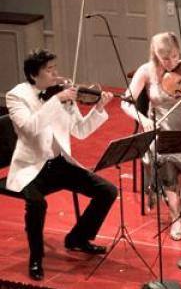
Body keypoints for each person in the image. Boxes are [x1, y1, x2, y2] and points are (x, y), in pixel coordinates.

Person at [6, 49, 118, 281]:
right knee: (37, 203)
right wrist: (56, 100)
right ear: (33, 75)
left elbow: (81, 131)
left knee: (107, 191)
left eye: (55, 68)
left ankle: (77, 238)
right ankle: (36, 258)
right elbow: (30, 128)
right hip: (31, 167)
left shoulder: (61, 93)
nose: (56, 74)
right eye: (49, 70)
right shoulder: (16, 96)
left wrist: (98, 108)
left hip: (59, 164)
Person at [121, 32, 181, 241]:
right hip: (160, 130)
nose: (172, 62)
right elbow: (125, 102)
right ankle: (176, 217)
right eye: (165, 58)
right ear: (155, 54)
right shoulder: (146, 71)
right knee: (164, 162)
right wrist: (142, 118)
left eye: (175, 56)